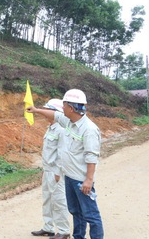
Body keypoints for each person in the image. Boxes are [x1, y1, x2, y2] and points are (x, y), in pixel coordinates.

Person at [27, 89, 104, 239]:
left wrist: (88, 179)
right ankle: (78, 236)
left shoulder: (89, 129)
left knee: (91, 214)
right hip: (69, 177)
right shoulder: (69, 122)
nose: (62, 109)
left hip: (81, 181)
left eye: (64, 105)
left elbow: (92, 156)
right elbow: (54, 115)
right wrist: (36, 110)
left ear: (71, 107)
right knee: (76, 211)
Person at [31, 99, 70, 238]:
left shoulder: (61, 129)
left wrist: (58, 171)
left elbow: (62, 153)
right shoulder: (51, 127)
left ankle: (64, 231)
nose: (44, 113)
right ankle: (48, 227)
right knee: (47, 200)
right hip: (47, 170)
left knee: (58, 201)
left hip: (56, 172)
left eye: (48, 110)